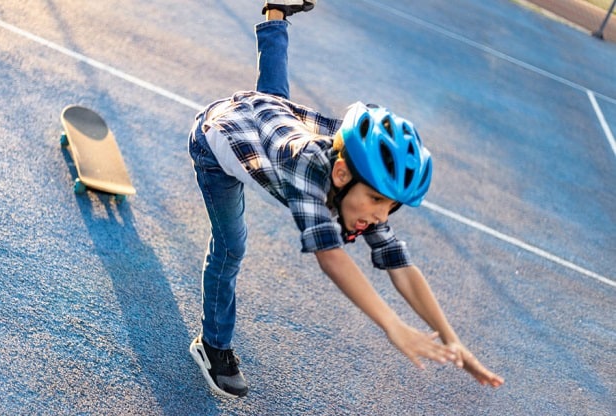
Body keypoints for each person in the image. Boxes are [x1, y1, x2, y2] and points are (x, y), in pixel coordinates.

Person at [187, 0, 504, 398]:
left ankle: (275, 11)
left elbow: (402, 269)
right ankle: (213, 345)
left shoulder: (358, 181)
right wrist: (393, 324)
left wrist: (455, 341)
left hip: (273, 116)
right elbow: (332, 258)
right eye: (375, 200)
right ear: (341, 174)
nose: (378, 216)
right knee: (231, 246)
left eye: (388, 207)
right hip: (220, 143)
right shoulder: (307, 169)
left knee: (273, 96)